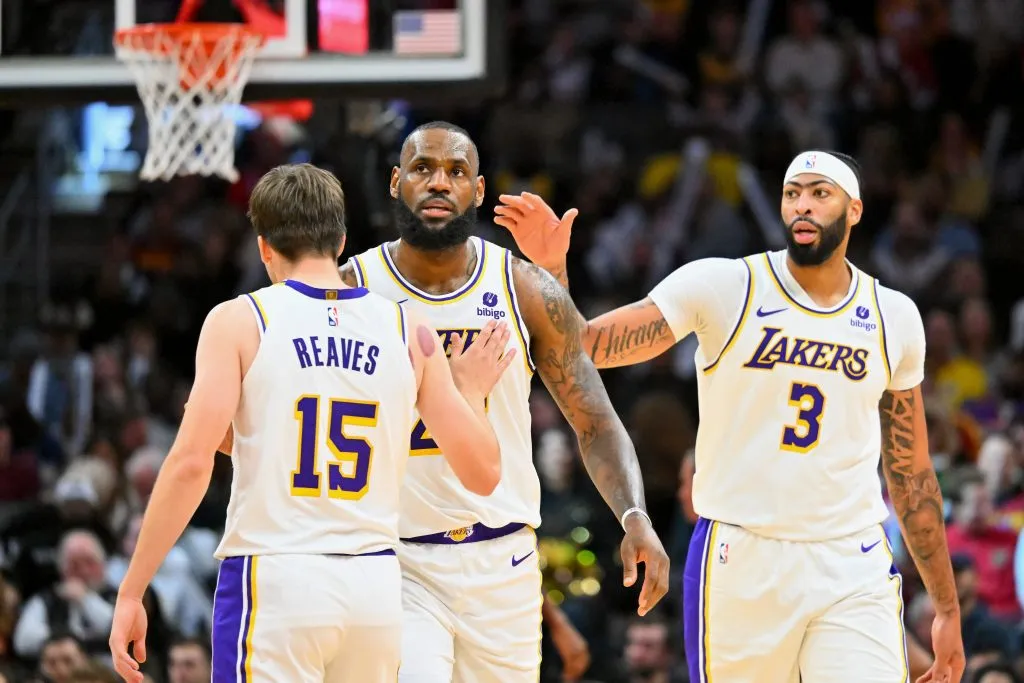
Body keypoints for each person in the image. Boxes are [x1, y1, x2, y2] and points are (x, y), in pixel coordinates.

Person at [496, 150, 966, 683]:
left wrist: (947, 608)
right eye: (793, 193)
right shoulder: (726, 286)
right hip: (742, 557)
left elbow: (910, 471)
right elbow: (589, 347)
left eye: (820, 193)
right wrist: (552, 272)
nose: (803, 206)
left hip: (851, 560)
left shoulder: (894, 316)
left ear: (854, 209)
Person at [108, 163, 513, 683]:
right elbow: (483, 473)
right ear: (341, 240)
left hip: (278, 576)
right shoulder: (408, 327)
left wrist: (131, 589)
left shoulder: (240, 320)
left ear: (264, 247)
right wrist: (471, 391)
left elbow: (190, 464)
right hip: (375, 587)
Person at [337, 120, 670, 682]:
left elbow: (595, 422)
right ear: (395, 182)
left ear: (479, 190)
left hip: (506, 562)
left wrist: (634, 514)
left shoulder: (522, 289)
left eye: (456, 171)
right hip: (397, 561)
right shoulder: (350, 290)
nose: (438, 183)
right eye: (422, 169)